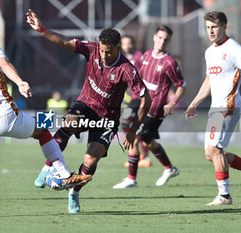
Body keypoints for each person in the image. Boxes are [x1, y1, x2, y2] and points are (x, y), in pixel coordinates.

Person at [0, 20, 92, 217]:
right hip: (5, 116)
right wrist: (20, 82)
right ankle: (65, 174)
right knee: (43, 131)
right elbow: (5, 65)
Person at [27, 9, 151, 213]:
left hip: (107, 118)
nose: (103, 54)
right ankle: (48, 168)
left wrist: (132, 131)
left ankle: (74, 192)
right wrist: (41, 29)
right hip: (85, 104)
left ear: (118, 48)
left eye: (108, 51)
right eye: (102, 50)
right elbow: (65, 42)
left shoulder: (127, 70)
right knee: (69, 122)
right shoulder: (92, 49)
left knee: (90, 160)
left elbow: (147, 99)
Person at [113, 25, 186, 189]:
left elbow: (181, 85)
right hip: (140, 101)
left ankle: (131, 178)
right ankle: (169, 168)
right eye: (160, 38)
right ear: (154, 37)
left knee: (135, 136)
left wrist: (172, 103)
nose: (162, 41)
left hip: (156, 107)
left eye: (166, 39)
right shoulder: (146, 55)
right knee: (140, 134)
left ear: (169, 41)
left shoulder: (170, 62)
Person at [185, 11, 241, 205]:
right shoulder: (210, 51)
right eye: (208, 27)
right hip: (215, 108)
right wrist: (194, 103)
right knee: (211, 154)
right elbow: (209, 80)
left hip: (229, 105)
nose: (210, 31)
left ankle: (224, 196)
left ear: (224, 27)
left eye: (214, 27)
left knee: (215, 149)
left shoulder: (234, 48)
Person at [120, 35, 151, 168]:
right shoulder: (122, 58)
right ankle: (142, 156)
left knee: (126, 120)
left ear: (133, 44)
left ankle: (139, 155)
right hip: (131, 97)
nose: (127, 46)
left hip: (139, 97)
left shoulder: (139, 56)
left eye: (129, 43)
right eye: (124, 44)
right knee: (137, 127)